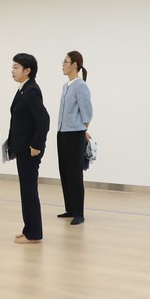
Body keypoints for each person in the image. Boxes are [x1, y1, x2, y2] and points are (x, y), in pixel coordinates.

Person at [6, 53, 50, 244]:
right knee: (26, 190)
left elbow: (43, 119)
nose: (12, 70)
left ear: (27, 70)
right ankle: (28, 229)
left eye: (16, 67)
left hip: (30, 150)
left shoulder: (31, 91)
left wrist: (36, 146)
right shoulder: (23, 89)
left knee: (29, 191)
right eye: (13, 67)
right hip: (22, 148)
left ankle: (34, 234)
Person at [57, 51, 94, 226]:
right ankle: (70, 209)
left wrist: (83, 130)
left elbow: (87, 113)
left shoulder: (81, 86)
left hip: (74, 135)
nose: (63, 64)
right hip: (62, 133)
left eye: (66, 61)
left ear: (74, 65)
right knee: (64, 172)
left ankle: (79, 213)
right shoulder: (66, 86)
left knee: (74, 174)